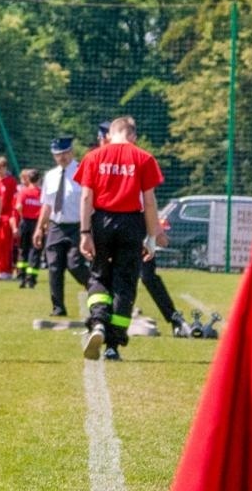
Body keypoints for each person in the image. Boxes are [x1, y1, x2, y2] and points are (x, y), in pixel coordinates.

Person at [77, 116, 163, 361]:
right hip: (131, 223)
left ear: (109, 134)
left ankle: (98, 323)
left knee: (99, 275)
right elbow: (148, 202)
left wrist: (85, 233)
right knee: (124, 282)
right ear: (133, 136)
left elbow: (85, 199)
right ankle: (113, 345)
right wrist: (151, 238)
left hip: (102, 220)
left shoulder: (93, 157)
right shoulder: (143, 158)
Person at [34, 136, 90, 316]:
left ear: (71, 152)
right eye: (58, 154)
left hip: (77, 225)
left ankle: (98, 290)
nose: (62, 157)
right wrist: (39, 228)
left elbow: (89, 200)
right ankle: (58, 307)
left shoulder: (83, 171)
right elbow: (47, 205)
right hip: (56, 225)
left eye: (65, 153)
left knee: (75, 264)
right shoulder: (50, 175)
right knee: (54, 266)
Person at [0, 156, 19, 280]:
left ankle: (6, 271)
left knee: (5, 244)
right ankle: (2, 269)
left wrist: (13, 219)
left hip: (7, 217)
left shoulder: (11, 181)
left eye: (0, 168)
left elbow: (13, 200)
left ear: (5, 167)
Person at [14, 169, 43, 288]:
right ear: (39, 179)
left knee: (23, 250)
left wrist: (23, 215)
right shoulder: (41, 193)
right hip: (37, 224)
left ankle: (21, 277)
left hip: (25, 222)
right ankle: (31, 279)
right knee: (35, 251)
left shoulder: (24, 192)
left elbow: (18, 206)